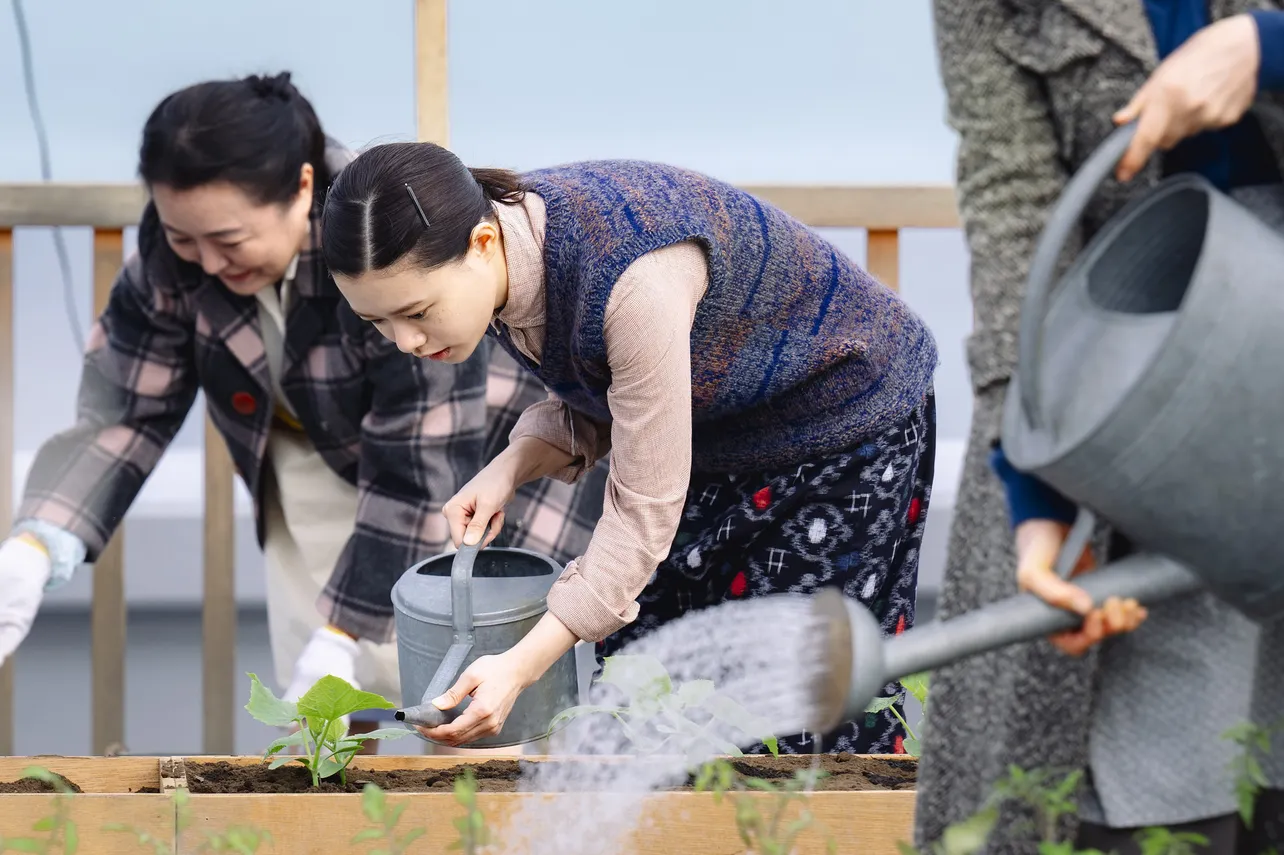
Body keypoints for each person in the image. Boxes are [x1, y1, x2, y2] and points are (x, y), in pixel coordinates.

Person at [0, 72, 606, 751]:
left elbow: (418, 461)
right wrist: (37, 540)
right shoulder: (179, 257)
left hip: (480, 460)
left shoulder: (379, 238)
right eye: (182, 237)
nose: (204, 260)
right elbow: (122, 409)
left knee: (479, 693)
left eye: (228, 239)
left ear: (302, 187)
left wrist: (344, 631)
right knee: (329, 709)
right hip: (312, 459)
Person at [317, 142, 940, 756]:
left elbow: (644, 510)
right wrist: (511, 467)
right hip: (724, 430)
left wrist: (521, 665)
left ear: (482, 243)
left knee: (794, 710)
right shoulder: (506, 255)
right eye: (378, 322)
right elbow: (616, 395)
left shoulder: (630, 276)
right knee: (645, 692)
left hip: (843, 419)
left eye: (417, 311)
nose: (404, 340)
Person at [920, 3, 1284, 853]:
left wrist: (1261, 48)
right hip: (1142, 354)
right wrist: (1036, 484)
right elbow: (1017, 204)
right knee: (1152, 754)